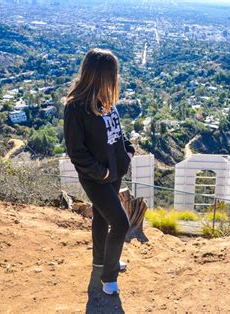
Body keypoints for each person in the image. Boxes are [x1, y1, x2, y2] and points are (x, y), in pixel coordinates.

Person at [63, 48, 135, 295]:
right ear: (100, 74)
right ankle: (109, 276)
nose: (116, 79)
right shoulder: (76, 108)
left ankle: (101, 261)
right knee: (121, 223)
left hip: (115, 171)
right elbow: (76, 151)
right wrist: (101, 173)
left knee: (103, 219)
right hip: (96, 178)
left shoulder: (105, 100)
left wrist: (128, 151)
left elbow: (117, 133)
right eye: (113, 74)